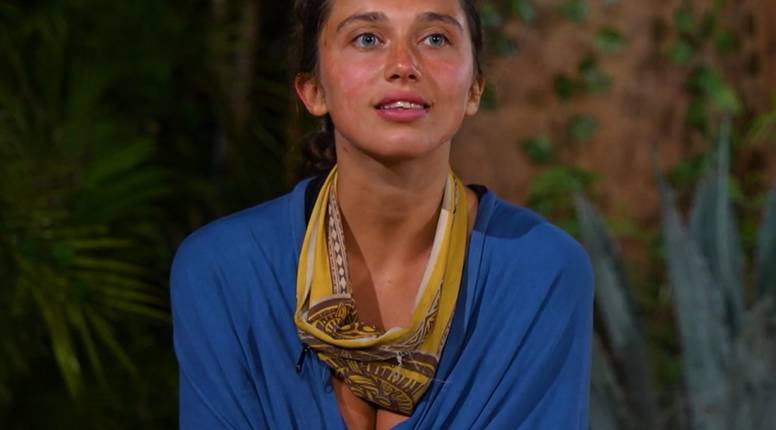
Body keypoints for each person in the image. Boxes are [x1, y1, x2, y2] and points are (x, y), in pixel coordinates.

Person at [170, 0, 594, 428]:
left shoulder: (540, 274)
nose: (403, 65)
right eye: (367, 39)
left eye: (435, 39)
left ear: (474, 88)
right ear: (313, 90)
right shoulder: (225, 271)